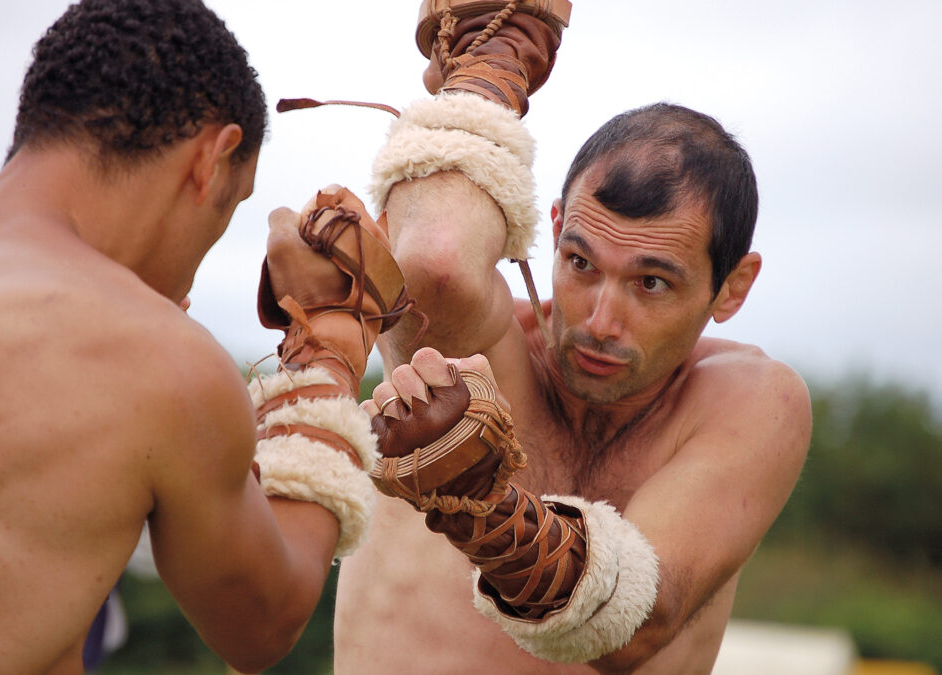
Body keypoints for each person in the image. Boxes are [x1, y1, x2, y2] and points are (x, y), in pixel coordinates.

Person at [332, 1, 812, 673]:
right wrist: (489, 74)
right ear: (553, 229)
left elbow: (636, 620)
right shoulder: (484, 353)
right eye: (581, 263)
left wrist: (479, 503)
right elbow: (434, 259)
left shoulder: (749, 402)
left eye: (651, 282)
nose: (598, 320)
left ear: (732, 286)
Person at [0, 1, 405, 672]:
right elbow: (261, 623)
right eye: (230, 208)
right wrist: (330, 352)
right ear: (213, 158)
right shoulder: (164, 362)